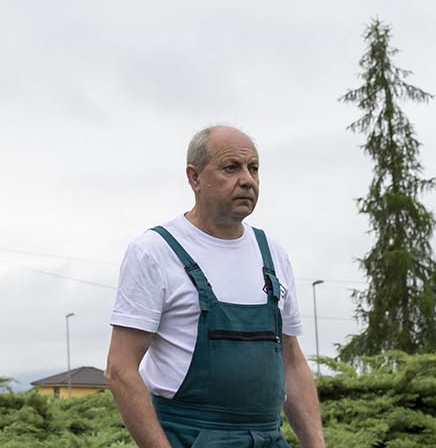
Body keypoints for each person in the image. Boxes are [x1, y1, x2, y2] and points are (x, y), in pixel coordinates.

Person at [105, 125, 325, 448]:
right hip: (189, 437)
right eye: (231, 168)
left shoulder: (272, 253)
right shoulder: (155, 252)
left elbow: (292, 362)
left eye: (253, 168)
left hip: (269, 437)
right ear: (194, 178)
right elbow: (120, 369)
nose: (247, 180)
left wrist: (316, 444)